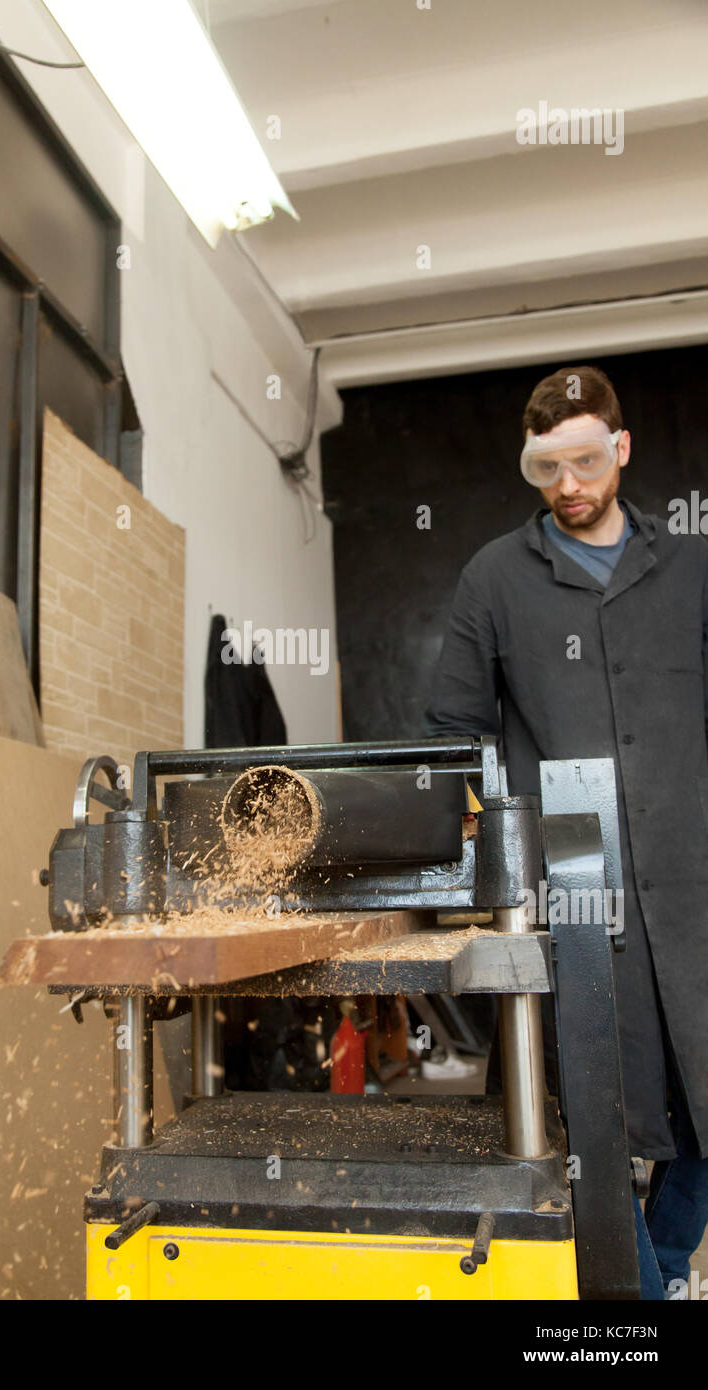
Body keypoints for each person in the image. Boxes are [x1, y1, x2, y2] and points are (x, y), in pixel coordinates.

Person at [424, 364, 708, 1300]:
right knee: (593, 1113)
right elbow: (454, 733)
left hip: (697, 883)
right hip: (578, 888)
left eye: (586, 459)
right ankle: (634, 1299)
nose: (570, 485)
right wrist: (493, 861)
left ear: (621, 449)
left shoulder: (691, 570)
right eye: (547, 467)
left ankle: (656, 1273)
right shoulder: (497, 577)